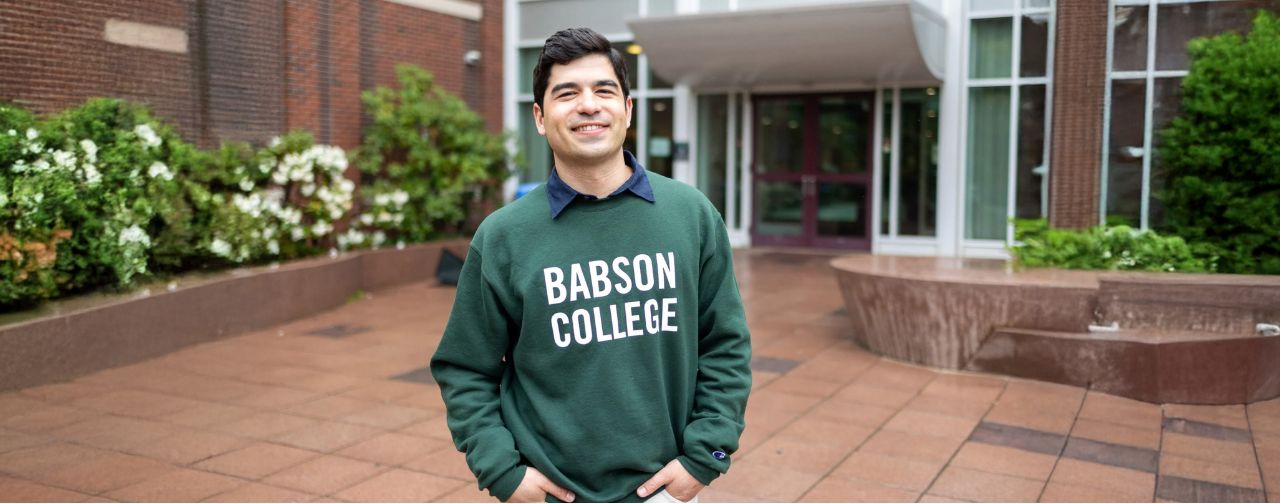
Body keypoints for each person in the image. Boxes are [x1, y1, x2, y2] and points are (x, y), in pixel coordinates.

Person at [430, 27, 751, 503]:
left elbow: (724, 346)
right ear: (540, 117)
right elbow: (465, 368)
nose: (588, 105)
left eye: (604, 90)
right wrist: (502, 472)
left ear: (627, 109)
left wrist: (705, 458)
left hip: (667, 488)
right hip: (549, 492)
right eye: (567, 93)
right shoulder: (504, 236)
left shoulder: (691, 214)